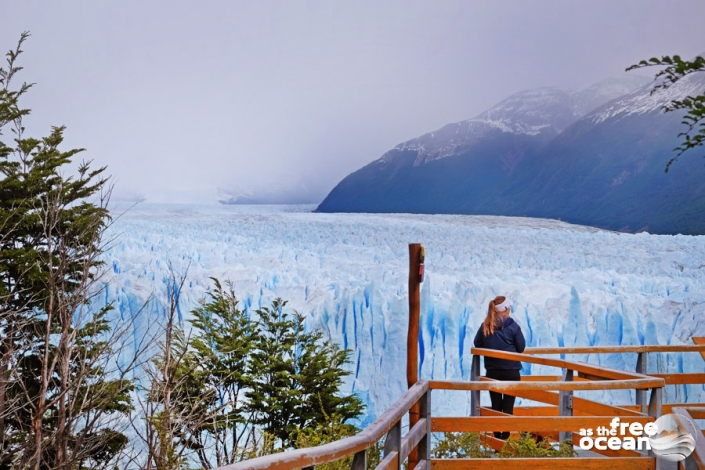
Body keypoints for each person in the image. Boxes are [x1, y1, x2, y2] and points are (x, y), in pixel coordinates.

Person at [473, 295, 525, 439]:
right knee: (508, 406)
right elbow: (521, 347)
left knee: (496, 405)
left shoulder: (486, 325)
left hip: (493, 371)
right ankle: (505, 440)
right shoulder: (512, 326)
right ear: (506, 309)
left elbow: (477, 343)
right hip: (511, 371)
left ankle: (496, 440)